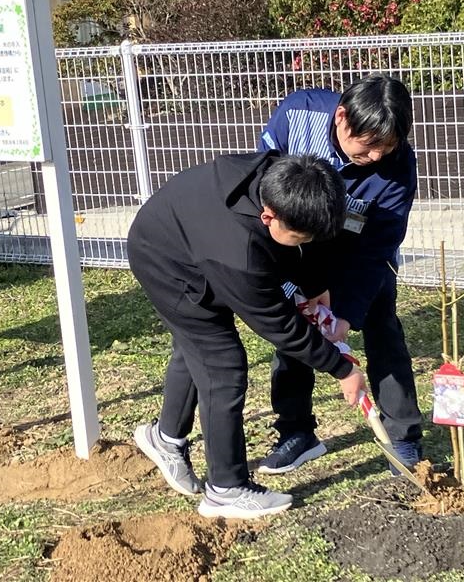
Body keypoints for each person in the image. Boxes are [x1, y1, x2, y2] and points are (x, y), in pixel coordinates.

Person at [128, 152, 367, 520]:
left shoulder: (288, 177)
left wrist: (315, 286)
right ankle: (226, 489)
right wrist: (342, 369)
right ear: (267, 216)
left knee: (196, 349)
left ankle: (166, 438)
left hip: (188, 231)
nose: (306, 240)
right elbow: (279, 325)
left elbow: (308, 245)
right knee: (222, 364)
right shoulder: (239, 253)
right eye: (299, 235)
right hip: (165, 262)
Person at [257, 72, 423, 476]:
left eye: (388, 147)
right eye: (369, 145)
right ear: (342, 117)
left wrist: (345, 312)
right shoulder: (297, 115)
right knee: (294, 330)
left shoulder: (398, 164)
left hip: (358, 250)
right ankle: (296, 431)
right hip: (299, 241)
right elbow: (264, 180)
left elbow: (378, 246)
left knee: (382, 326)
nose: (377, 157)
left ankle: (402, 436)